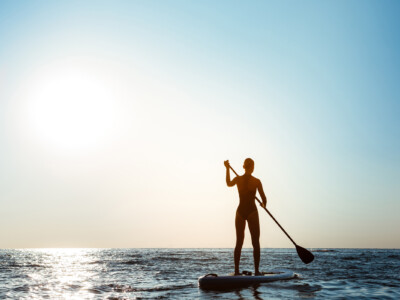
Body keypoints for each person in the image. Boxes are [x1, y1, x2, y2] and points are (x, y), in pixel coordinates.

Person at [224, 158, 267, 275]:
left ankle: (236, 271)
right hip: (252, 212)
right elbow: (264, 199)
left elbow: (228, 183)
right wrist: (263, 205)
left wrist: (227, 169)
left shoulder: (238, 179)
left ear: (244, 167)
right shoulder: (257, 181)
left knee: (239, 242)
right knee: (255, 243)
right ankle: (257, 271)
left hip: (240, 212)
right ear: (252, 167)